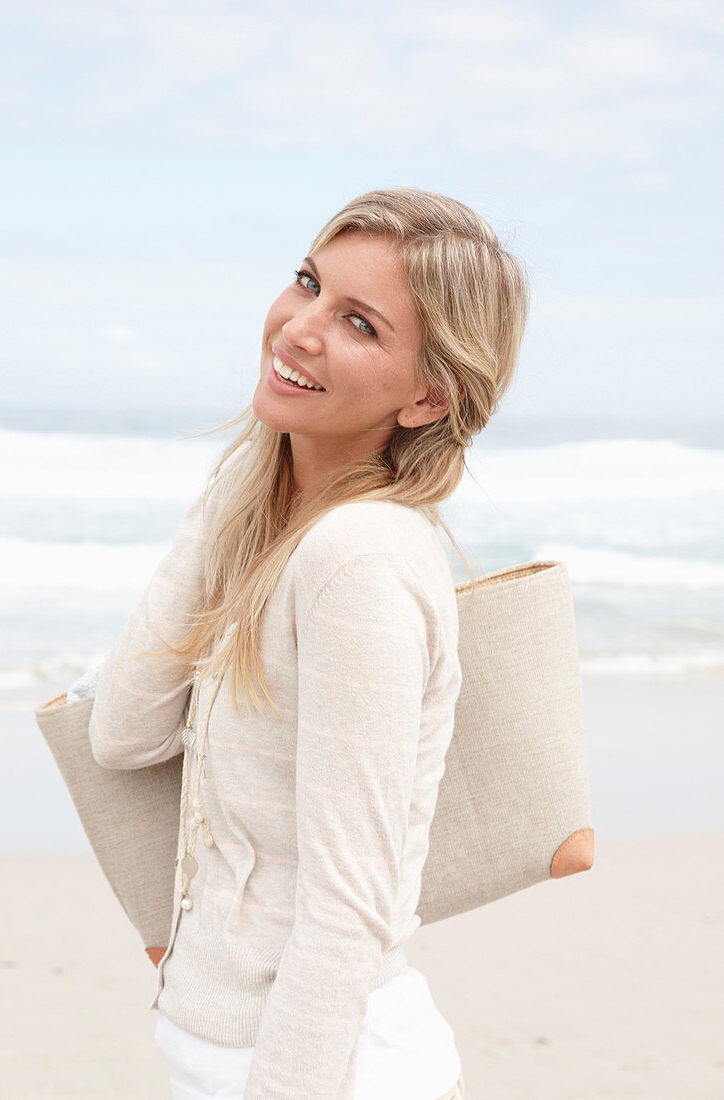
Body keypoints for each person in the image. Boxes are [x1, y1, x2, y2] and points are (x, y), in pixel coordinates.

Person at [86, 186, 529, 1099]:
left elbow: (346, 906)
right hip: (228, 1046)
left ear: (427, 396)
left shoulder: (357, 560)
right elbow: (122, 734)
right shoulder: (282, 528)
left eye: (360, 324)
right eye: (307, 284)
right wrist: (248, 482)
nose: (298, 329)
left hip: (322, 1069)